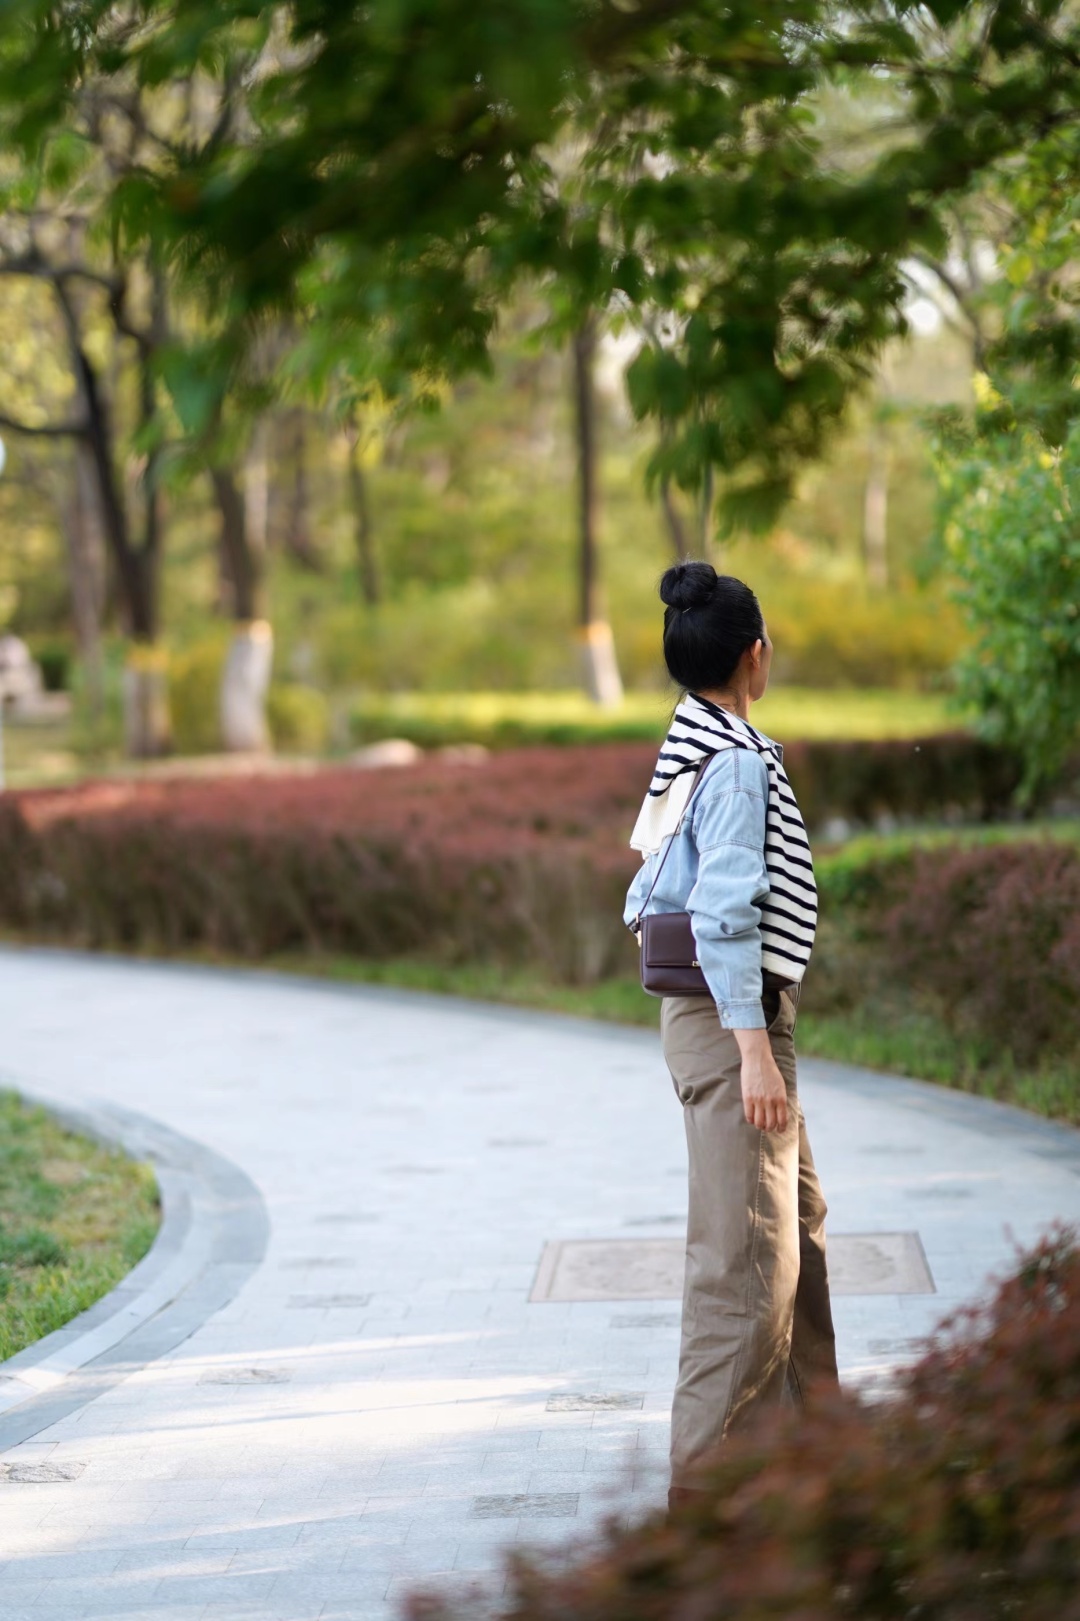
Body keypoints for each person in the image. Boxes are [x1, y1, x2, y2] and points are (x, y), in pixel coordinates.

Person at [624, 560, 839, 1512]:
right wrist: (754, 1047)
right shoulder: (737, 761)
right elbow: (719, 915)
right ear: (756, 654)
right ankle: (704, 1521)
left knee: (796, 1237)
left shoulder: (693, 739)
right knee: (743, 1271)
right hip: (732, 1023)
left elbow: (650, 884)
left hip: (720, 1019)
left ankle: (818, 1473)